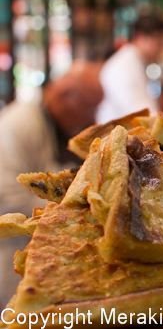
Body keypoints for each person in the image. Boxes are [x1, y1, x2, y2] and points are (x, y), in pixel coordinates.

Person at [0, 61, 103, 305]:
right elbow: (8, 197)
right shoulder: (19, 124)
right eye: (90, 107)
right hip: (14, 262)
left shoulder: (58, 121)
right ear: (66, 96)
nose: (93, 117)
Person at [96, 15, 163, 124]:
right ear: (140, 37)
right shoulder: (126, 66)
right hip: (115, 137)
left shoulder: (134, 60)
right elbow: (142, 116)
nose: (162, 49)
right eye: (159, 42)